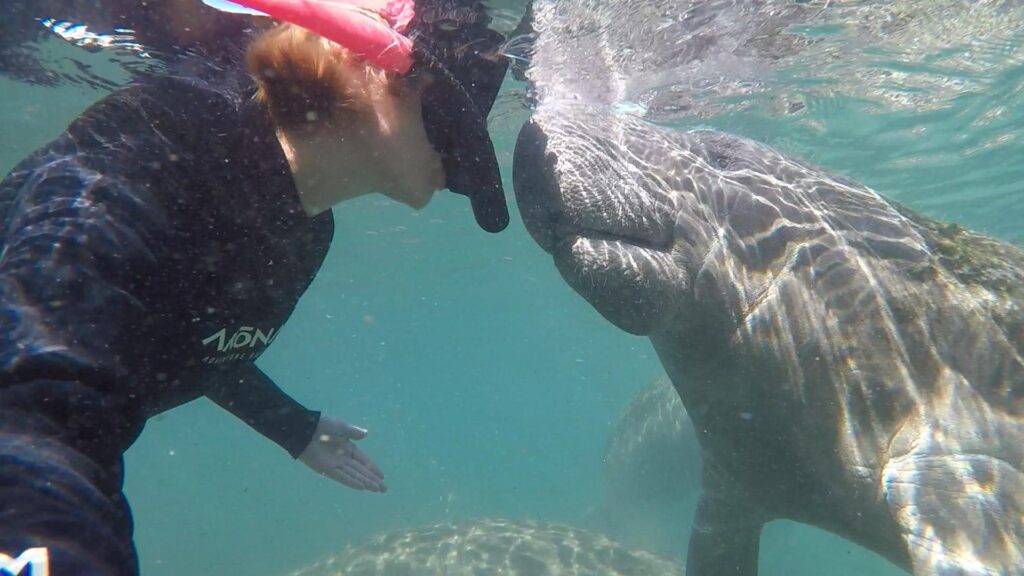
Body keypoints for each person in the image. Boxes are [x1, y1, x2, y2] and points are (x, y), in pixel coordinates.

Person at [0, 0, 510, 573]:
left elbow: (192, 343)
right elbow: (34, 408)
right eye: (449, 115)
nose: (460, 157)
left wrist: (288, 424)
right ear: (361, 62)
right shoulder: (156, 140)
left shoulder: (306, 233)